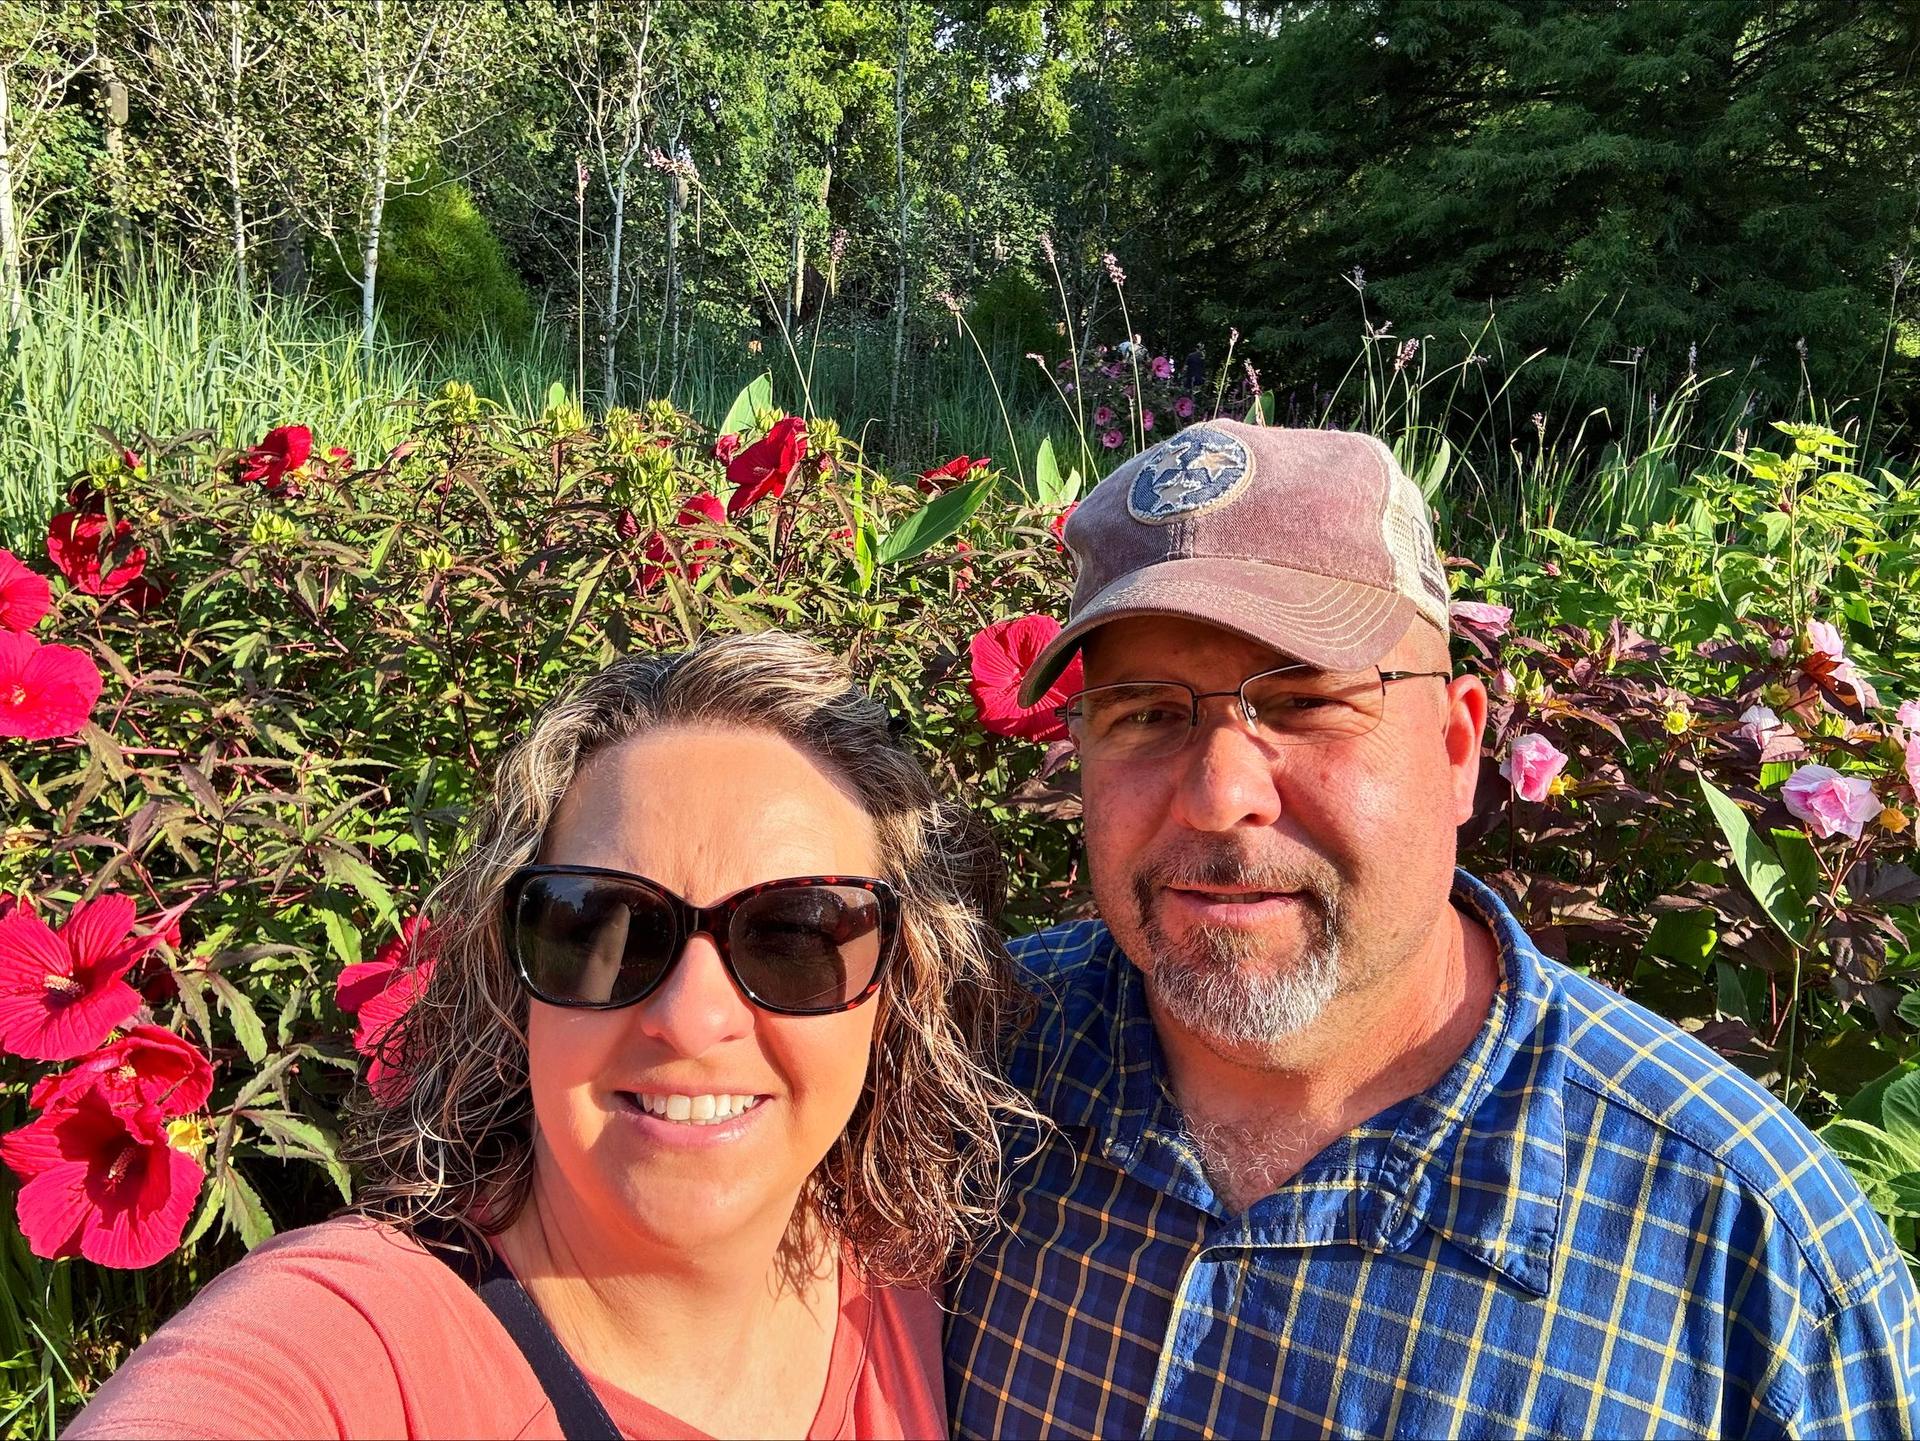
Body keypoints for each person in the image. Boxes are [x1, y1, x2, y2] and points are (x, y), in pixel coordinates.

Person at [947, 420, 1920, 1438]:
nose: (1220, 793)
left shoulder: (1750, 1256)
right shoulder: (970, 1059)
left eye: (1307, 700)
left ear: (1458, 748)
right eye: (1145, 715)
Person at [72, 633, 1030, 1440]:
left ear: (899, 986)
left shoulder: (909, 1280)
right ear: (510, 972)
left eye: (795, 935)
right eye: (600, 924)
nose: (690, 1017)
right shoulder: (360, 1346)